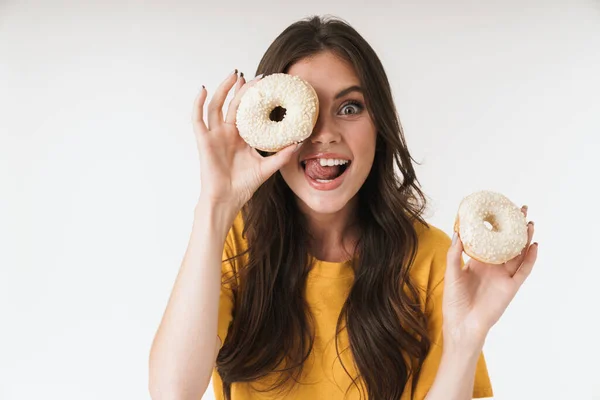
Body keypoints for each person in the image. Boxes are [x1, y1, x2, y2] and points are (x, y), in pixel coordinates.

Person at [149, 15, 538, 400]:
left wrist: (465, 339)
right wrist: (215, 205)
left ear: (379, 124)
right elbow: (172, 392)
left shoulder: (433, 259)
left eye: (350, 108)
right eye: (306, 111)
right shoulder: (234, 243)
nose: (325, 134)